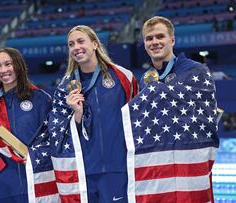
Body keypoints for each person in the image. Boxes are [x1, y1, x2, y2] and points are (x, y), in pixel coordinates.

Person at [126, 16, 219, 202]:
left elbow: (206, 118)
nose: (155, 42)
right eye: (149, 38)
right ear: (144, 43)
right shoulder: (146, 79)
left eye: (160, 36)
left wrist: (163, 92)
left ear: (172, 40)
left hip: (188, 163)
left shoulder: (196, 71)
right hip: (159, 168)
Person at [49, 25, 138, 202]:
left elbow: (138, 121)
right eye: (71, 44)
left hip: (119, 169)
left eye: (81, 41)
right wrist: (77, 114)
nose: (76, 47)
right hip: (83, 172)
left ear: (95, 44)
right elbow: (56, 131)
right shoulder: (65, 87)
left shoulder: (123, 77)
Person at [0, 47, 52, 202]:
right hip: (1, 185)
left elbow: (52, 138)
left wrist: (36, 157)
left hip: (35, 181)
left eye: (8, 64)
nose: (3, 70)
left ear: (18, 65)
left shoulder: (40, 99)